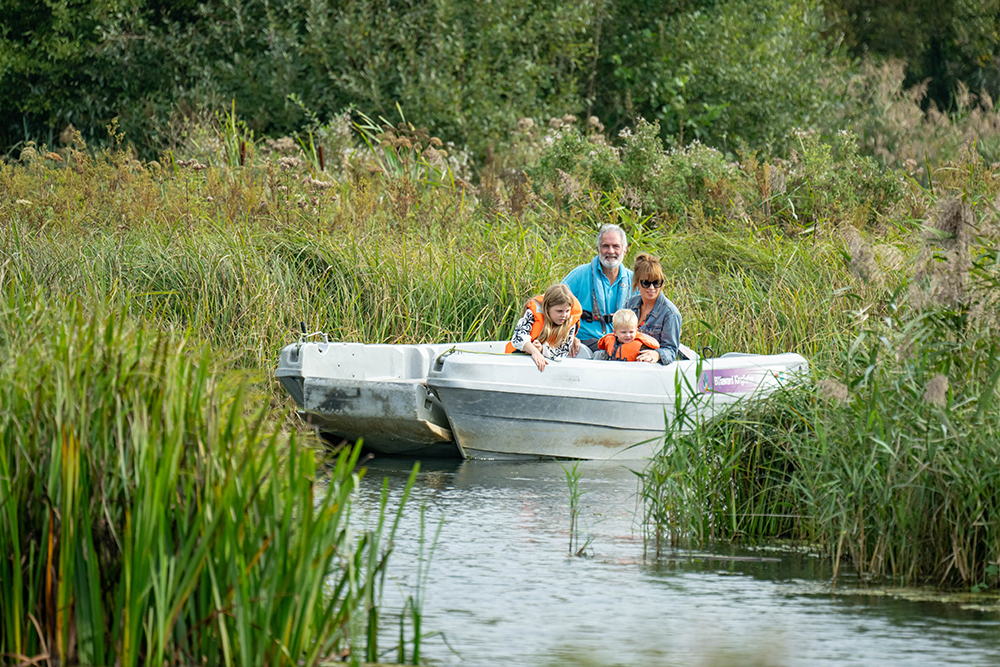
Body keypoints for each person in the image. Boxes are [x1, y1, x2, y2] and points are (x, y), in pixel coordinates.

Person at [562, 224, 634, 354]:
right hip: (585, 342)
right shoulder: (580, 274)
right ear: (598, 249)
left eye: (616, 246)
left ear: (624, 249)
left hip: (623, 343)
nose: (611, 251)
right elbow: (552, 304)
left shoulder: (635, 280)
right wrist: (566, 335)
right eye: (605, 246)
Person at [505, 284, 583, 372]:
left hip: (546, 364)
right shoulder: (533, 312)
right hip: (519, 357)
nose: (564, 315)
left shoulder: (570, 322)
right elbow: (518, 338)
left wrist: (542, 349)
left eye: (567, 311)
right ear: (547, 308)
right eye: (559, 311)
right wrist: (534, 351)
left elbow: (561, 353)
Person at [625, 253, 682, 364]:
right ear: (637, 283)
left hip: (652, 369)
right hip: (628, 363)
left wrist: (657, 354)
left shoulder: (670, 313)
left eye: (656, 283)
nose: (652, 288)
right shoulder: (631, 304)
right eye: (646, 283)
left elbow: (671, 350)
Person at [596, 309, 660, 361]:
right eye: (623, 332)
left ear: (636, 331)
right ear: (615, 332)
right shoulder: (609, 341)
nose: (628, 335)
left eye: (631, 332)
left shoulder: (642, 346)